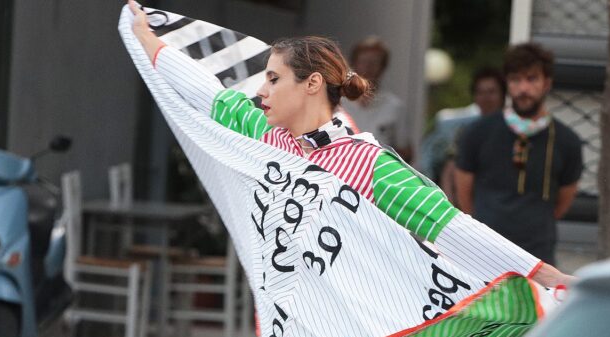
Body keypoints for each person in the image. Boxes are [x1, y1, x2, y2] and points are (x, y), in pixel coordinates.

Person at [126, 1, 570, 289]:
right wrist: (146, 36)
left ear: (312, 84)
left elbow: (452, 228)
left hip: (359, 331)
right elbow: (203, 88)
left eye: (274, 79)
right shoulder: (263, 131)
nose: (262, 90)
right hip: (293, 329)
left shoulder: (366, 164)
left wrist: (546, 275)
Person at [454, 42, 583, 266]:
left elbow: (564, 200)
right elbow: (464, 192)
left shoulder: (566, 141)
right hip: (484, 253)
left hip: (538, 258)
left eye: (532, 79)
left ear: (547, 83)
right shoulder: (478, 132)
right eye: (515, 80)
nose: (523, 88)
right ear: (507, 84)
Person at [420, 66, 506, 200]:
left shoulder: (512, 130)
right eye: (480, 92)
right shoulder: (465, 131)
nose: (486, 98)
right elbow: (450, 168)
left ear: (503, 95)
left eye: (491, 92)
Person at [339, 36, 412, 162]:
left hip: (378, 174)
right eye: (363, 61)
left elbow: (405, 151)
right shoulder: (338, 103)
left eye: (374, 62)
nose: (368, 67)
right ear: (354, 64)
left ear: (383, 67)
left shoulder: (395, 106)